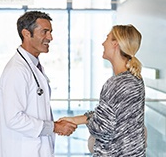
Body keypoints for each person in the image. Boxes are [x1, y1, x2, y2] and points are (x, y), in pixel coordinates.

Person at [0, 11, 77, 157]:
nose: (50, 37)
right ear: (26, 33)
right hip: (22, 150)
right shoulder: (16, 70)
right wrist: (54, 127)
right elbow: (13, 118)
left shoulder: (33, 66)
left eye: (50, 32)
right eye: (44, 32)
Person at [58, 24, 146, 156]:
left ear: (116, 44)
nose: (103, 43)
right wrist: (75, 120)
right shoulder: (134, 79)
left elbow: (102, 129)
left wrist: (79, 123)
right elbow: (110, 116)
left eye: (107, 38)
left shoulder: (115, 84)